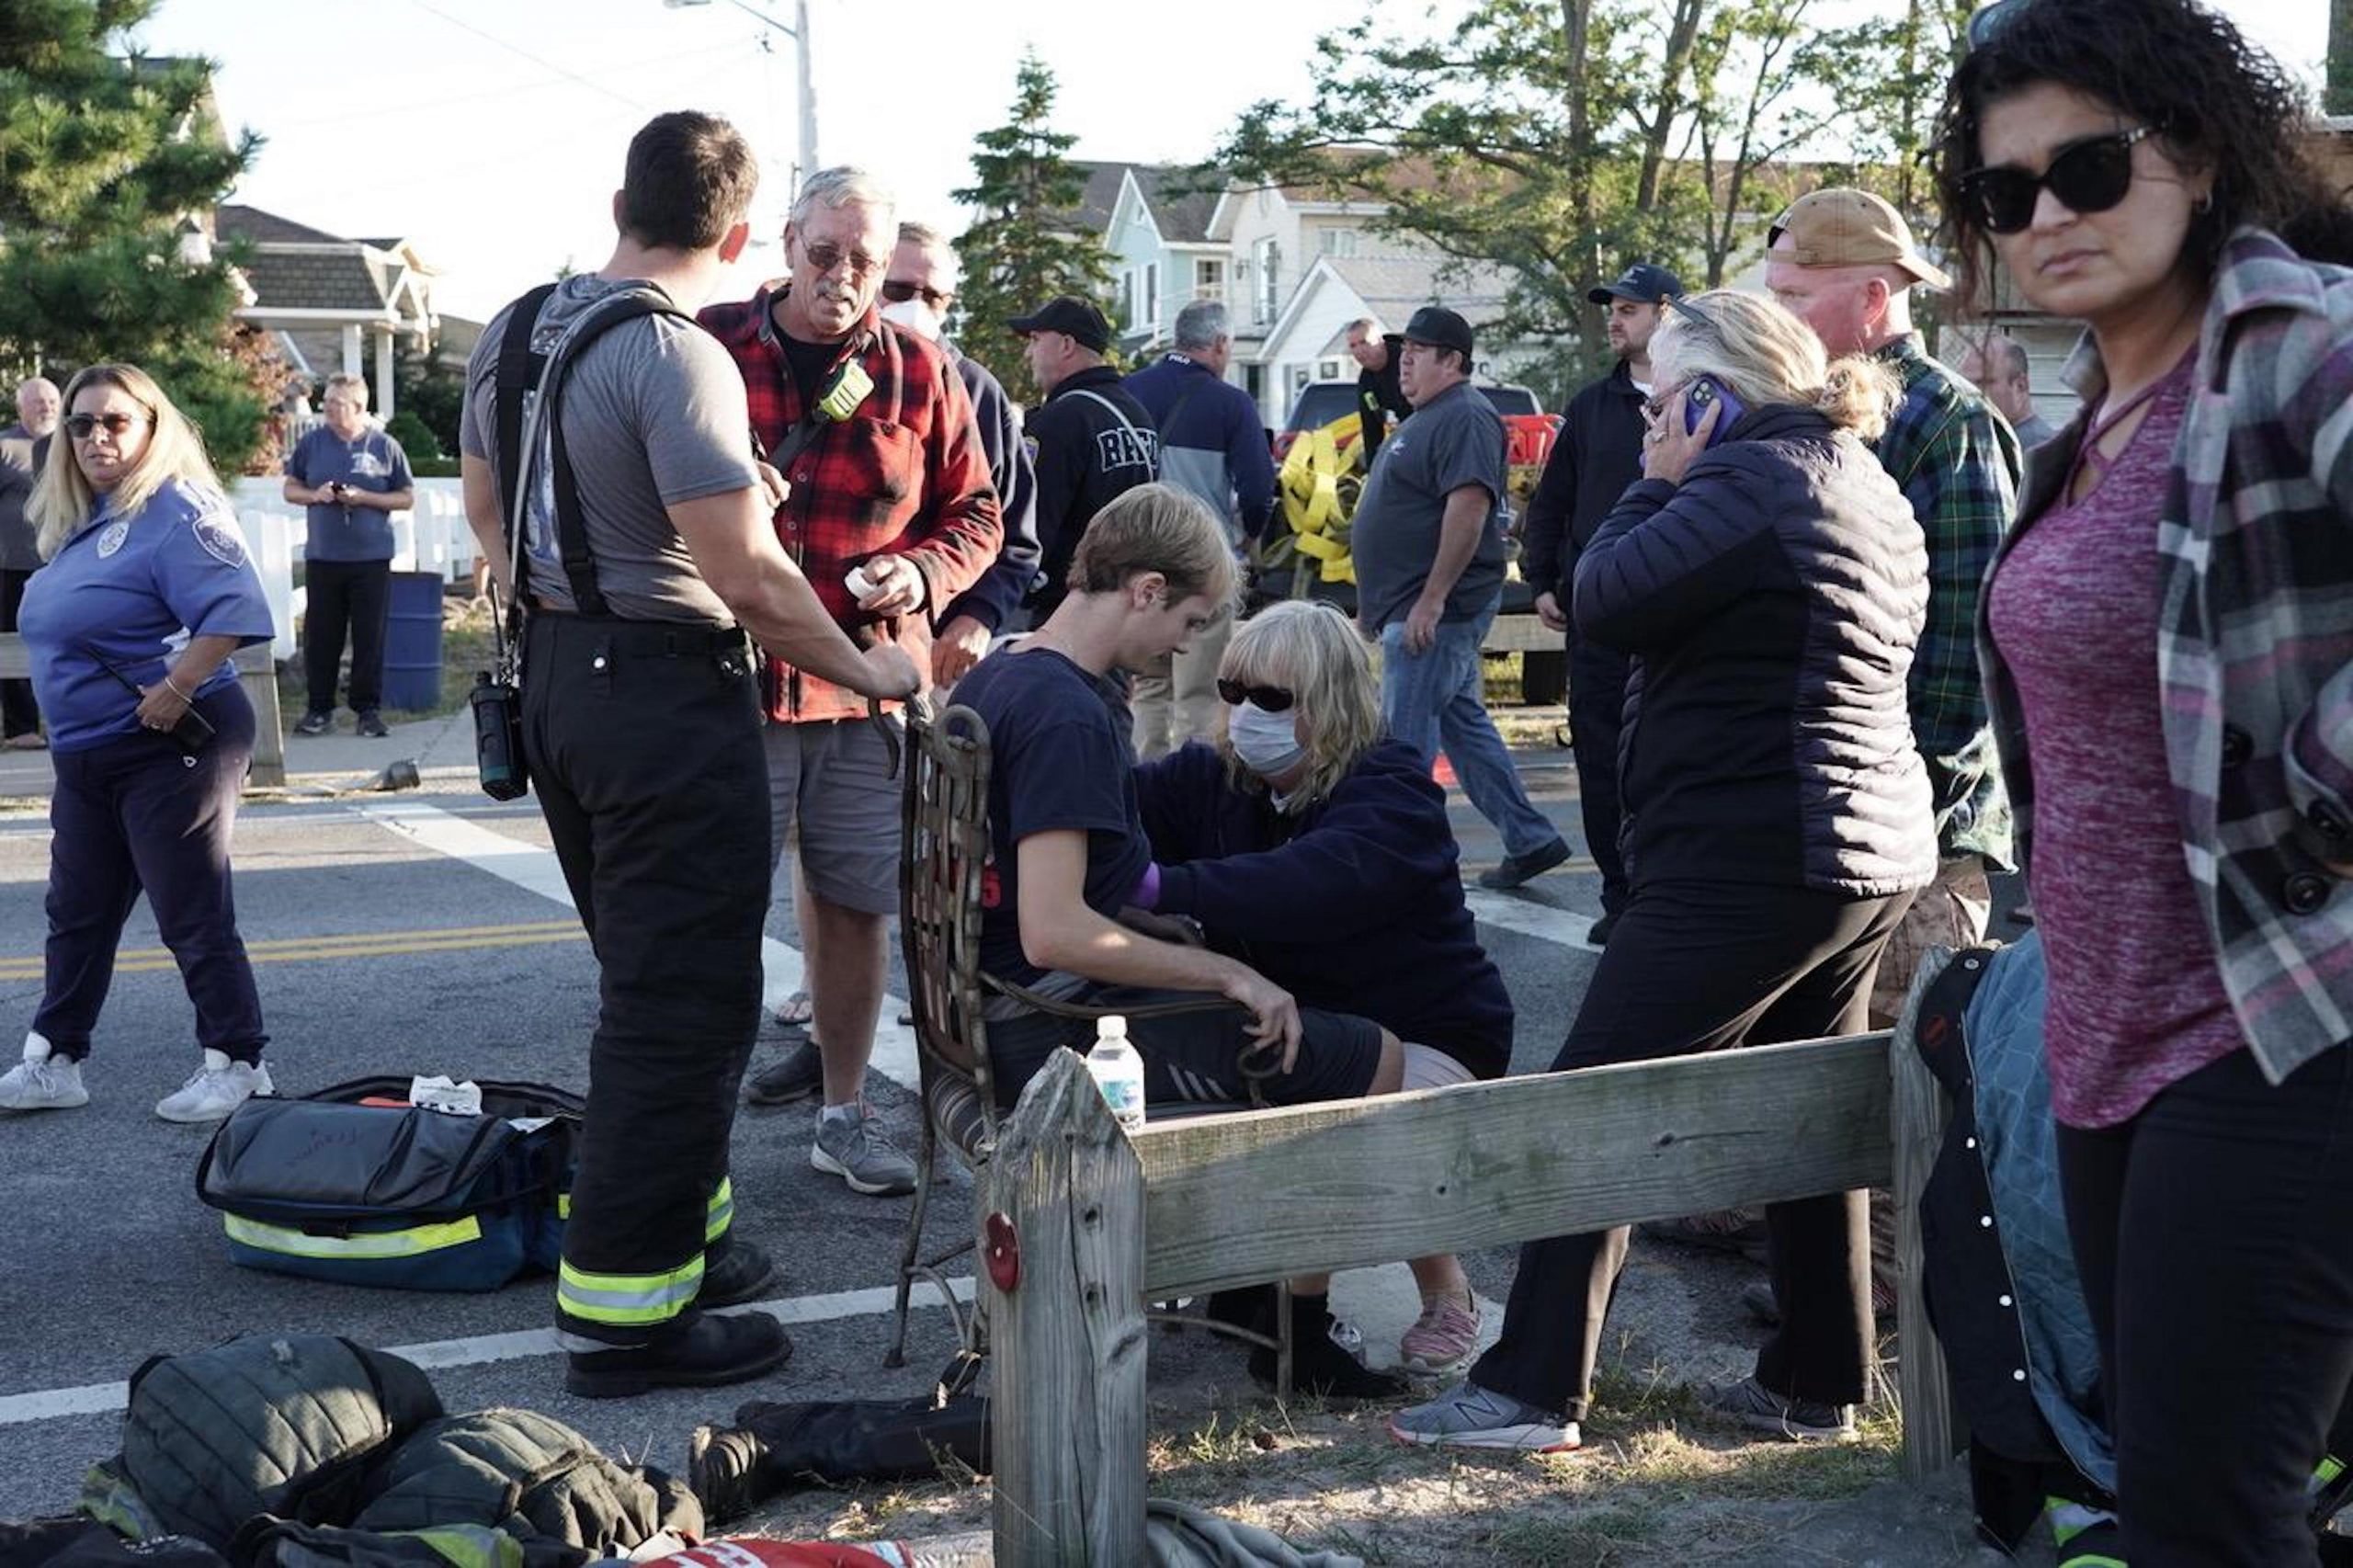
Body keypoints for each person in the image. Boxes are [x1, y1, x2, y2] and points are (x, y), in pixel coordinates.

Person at [1937, 1, 2353, 1557]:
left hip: (2285, 1023)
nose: (2048, 215)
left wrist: (2320, 812)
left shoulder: (2299, 345)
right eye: (2005, 190)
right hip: (2110, 1036)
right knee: (2186, 1482)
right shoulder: (2092, 414)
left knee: (2205, 1511)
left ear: (2193, 154)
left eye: (2090, 168)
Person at [1391, 290, 1934, 1452]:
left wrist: (1663, 473)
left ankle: (1532, 1389)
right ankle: (1816, 1379)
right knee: (1805, 1119)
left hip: (1752, 851)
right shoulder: (1850, 472)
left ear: (1711, 396)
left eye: (1659, 398)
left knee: (1591, 1104)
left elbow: (1603, 596)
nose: (1642, 418)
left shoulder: (1745, 477)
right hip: (1855, 849)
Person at [459, 111, 921, 1396]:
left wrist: (578, 570)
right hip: (661, 691)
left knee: (650, 977)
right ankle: (622, 1319)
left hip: (555, 681)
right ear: (735, 233)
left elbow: (490, 518)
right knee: (683, 1006)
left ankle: (690, 1239)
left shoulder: (514, 326)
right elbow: (750, 578)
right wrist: (873, 666)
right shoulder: (680, 355)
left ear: (621, 198)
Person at [956, 483, 1410, 1397]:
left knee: (1282, 1012)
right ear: (1147, 589)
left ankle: (1253, 1286)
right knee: (1372, 1055)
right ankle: (1296, 1333)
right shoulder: (1065, 711)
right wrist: (1224, 970)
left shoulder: (1002, 668)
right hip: (1046, 1035)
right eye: (1192, 619)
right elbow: (1054, 929)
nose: (1183, 646)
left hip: (978, 1012)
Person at [699, 168, 1002, 1199]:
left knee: (855, 910)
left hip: (862, 688)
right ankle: (685, 1144)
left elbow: (978, 515)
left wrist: (919, 572)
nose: (840, 277)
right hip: (724, 682)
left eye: (863, 263)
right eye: (824, 254)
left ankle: (843, 1113)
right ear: (785, 242)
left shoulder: (919, 368)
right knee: (710, 913)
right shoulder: (710, 346)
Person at [1131, 597, 1512, 1376]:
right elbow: (1117, 802)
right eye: (1234, 692)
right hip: (1302, 1023)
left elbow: (1309, 885)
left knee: (1357, 1130)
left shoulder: (1392, 784)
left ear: (1330, 703)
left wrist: (1163, 887)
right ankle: (1259, 1280)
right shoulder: (1217, 775)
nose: (1244, 713)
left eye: (1272, 699)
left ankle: (1440, 1291)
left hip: (1425, 1030)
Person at [1764, 187, 2019, 1025]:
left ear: (1874, 299)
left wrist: (1906, 812)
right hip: (1819, 828)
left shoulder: (1949, 422)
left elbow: (1971, 647)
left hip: (1918, 850)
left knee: (1906, 1102)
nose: (1777, 311)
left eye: (1795, 295)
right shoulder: (1801, 415)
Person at [1, 364, 278, 1122]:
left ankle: (239, 1061)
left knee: (189, 908)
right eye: (81, 424)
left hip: (169, 739)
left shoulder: (175, 507)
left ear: (152, 429)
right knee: (77, 911)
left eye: (116, 421)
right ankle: (55, 1060)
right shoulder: (84, 519)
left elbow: (236, 608)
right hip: (88, 753)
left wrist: (179, 685)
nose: (96, 436)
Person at [1350, 304, 1571, 890]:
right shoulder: (1426, 416)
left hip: (1434, 612)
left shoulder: (1466, 416)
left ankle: (1402, 865)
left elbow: (1469, 508)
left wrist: (1430, 599)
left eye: (1419, 352)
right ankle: (1530, 838)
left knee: (1406, 743)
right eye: (1405, 351)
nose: (1405, 362)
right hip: (1412, 607)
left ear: (1453, 361)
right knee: (1461, 725)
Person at [1520, 263, 1682, 943]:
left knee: (1671, 756)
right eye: (1612, 309)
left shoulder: (1702, 400)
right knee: (1599, 755)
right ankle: (1620, 899)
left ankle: (1666, 894)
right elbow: (1554, 498)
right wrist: (1543, 579)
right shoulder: (1591, 407)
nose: (1615, 320)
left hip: (1678, 613)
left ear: (1668, 315)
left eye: (1631, 309)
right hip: (1598, 616)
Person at [875, 220, 1041, 687]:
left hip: (938, 648)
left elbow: (1015, 528)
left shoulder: (976, 391)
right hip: (828, 638)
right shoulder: (832, 373)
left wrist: (979, 615)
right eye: (899, 289)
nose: (915, 306)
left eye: (933, 297)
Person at [1122, 299, 1276, 757]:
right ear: (1221, 343)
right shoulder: (1232, 403)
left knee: (1149, 690)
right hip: (1203, 562)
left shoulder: (1131, 390)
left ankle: (1145, 791)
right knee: (1200, 695)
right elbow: (1257, 487)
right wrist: (1251, 533)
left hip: (1138, 561)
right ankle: (1190, 799)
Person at [283, 373, 414, 739]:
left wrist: (364, 498)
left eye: (336, 403)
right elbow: (290, 488)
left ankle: (367, 711)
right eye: (327, 401)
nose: (327, 408)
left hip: (371, 559)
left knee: (369, 637)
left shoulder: (385, 447)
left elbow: (406, 496)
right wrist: (316, 495)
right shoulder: (312, 444)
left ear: (358, 407)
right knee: (321, 636)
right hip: (324, 557)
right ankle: (319, 709)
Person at [1015, 295, 1157, 620]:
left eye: (1036, 340)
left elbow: (1032, 525)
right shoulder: (1137, 413)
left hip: (1064, 609)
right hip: (1125, 604)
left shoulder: (1062, 419)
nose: (1029, 353)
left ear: (1066, 345)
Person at [1, 376, 59, 748]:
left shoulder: (72, 444)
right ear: (21, 407)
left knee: (63, 642)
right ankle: (21, 728)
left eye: (52, 401)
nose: (47, 407)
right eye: (38, 401)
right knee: (12, 643)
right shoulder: (5, 446)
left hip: (63, 564)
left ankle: (66, 721)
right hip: (11, 565)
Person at [1960, 331, 2060, 449]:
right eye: (1964, 384)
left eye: (1983, 383)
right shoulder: (1989, 443)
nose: (1970, 393)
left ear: (2020, 386)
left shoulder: (2041, 450)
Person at [1345, 317, 1412, 458]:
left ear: (1380, 341)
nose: (1359, 351)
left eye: (1364, 342)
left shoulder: (1409, 359)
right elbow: (1371, 432)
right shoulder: (1366, 383)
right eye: (1353, 346)